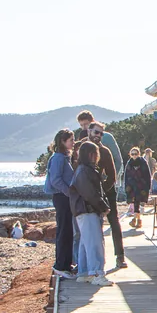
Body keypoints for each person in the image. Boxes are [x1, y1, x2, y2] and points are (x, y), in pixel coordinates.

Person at [83, 119, 127, 270]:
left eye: (101, 134)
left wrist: (102, 191)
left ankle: (120, 256)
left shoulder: (105, 151)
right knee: (92, 226)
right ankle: (87, 261)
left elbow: (112, 176)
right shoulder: (81, 147)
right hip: (88, 194)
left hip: (107, 192)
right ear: (89, 131)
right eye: (96, 132)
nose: (98, 136)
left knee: (114, 222)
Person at [71, 141, 113, 287]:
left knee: (85, 242)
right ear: (91, 154)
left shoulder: (82, 170)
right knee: (95, 243)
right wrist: (103, 206)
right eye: (96, 153)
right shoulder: (84, 171)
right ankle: (97, 273)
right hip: (88, 210)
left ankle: (83, 272)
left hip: (83, 211)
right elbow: (90, 193)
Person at [44, 129, 77, 278]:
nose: (73, 142)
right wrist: (69, 192)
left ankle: (66, 264)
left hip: (64, 197)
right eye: (71, 140)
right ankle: (61, 265)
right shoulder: (58, 158)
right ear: (63, 142)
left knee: (67, 230)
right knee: (64, 230)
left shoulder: (64, 157)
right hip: (61, 198)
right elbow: (55, 180)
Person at [124, 147, 152, 229]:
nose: (134, 155)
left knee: (137, 202)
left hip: (141, 186)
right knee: (135, 203)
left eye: (136, 154)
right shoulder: (129, 163)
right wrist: (127, 186)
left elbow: (147, 175)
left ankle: (135, 220)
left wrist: (148, 186)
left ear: (139, 154)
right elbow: (126, 175)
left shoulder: (143, 162)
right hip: (132, 185)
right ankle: (138, 220)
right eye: (132, 154)